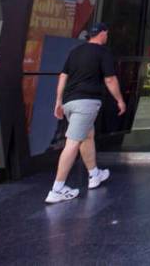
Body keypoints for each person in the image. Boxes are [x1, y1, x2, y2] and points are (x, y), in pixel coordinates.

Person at [46, 23, 126, 203]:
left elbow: (63, 76)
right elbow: (110, 79)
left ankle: (94, 174)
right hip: (86, 103)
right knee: (73, 143)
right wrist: (120, 100)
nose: (107, 36)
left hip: (70, 102)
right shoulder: (102, 52)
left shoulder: (75, 52)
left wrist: (59, 101)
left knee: (87, 136)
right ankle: (57, 189)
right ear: (102, 34)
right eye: (106, 33)